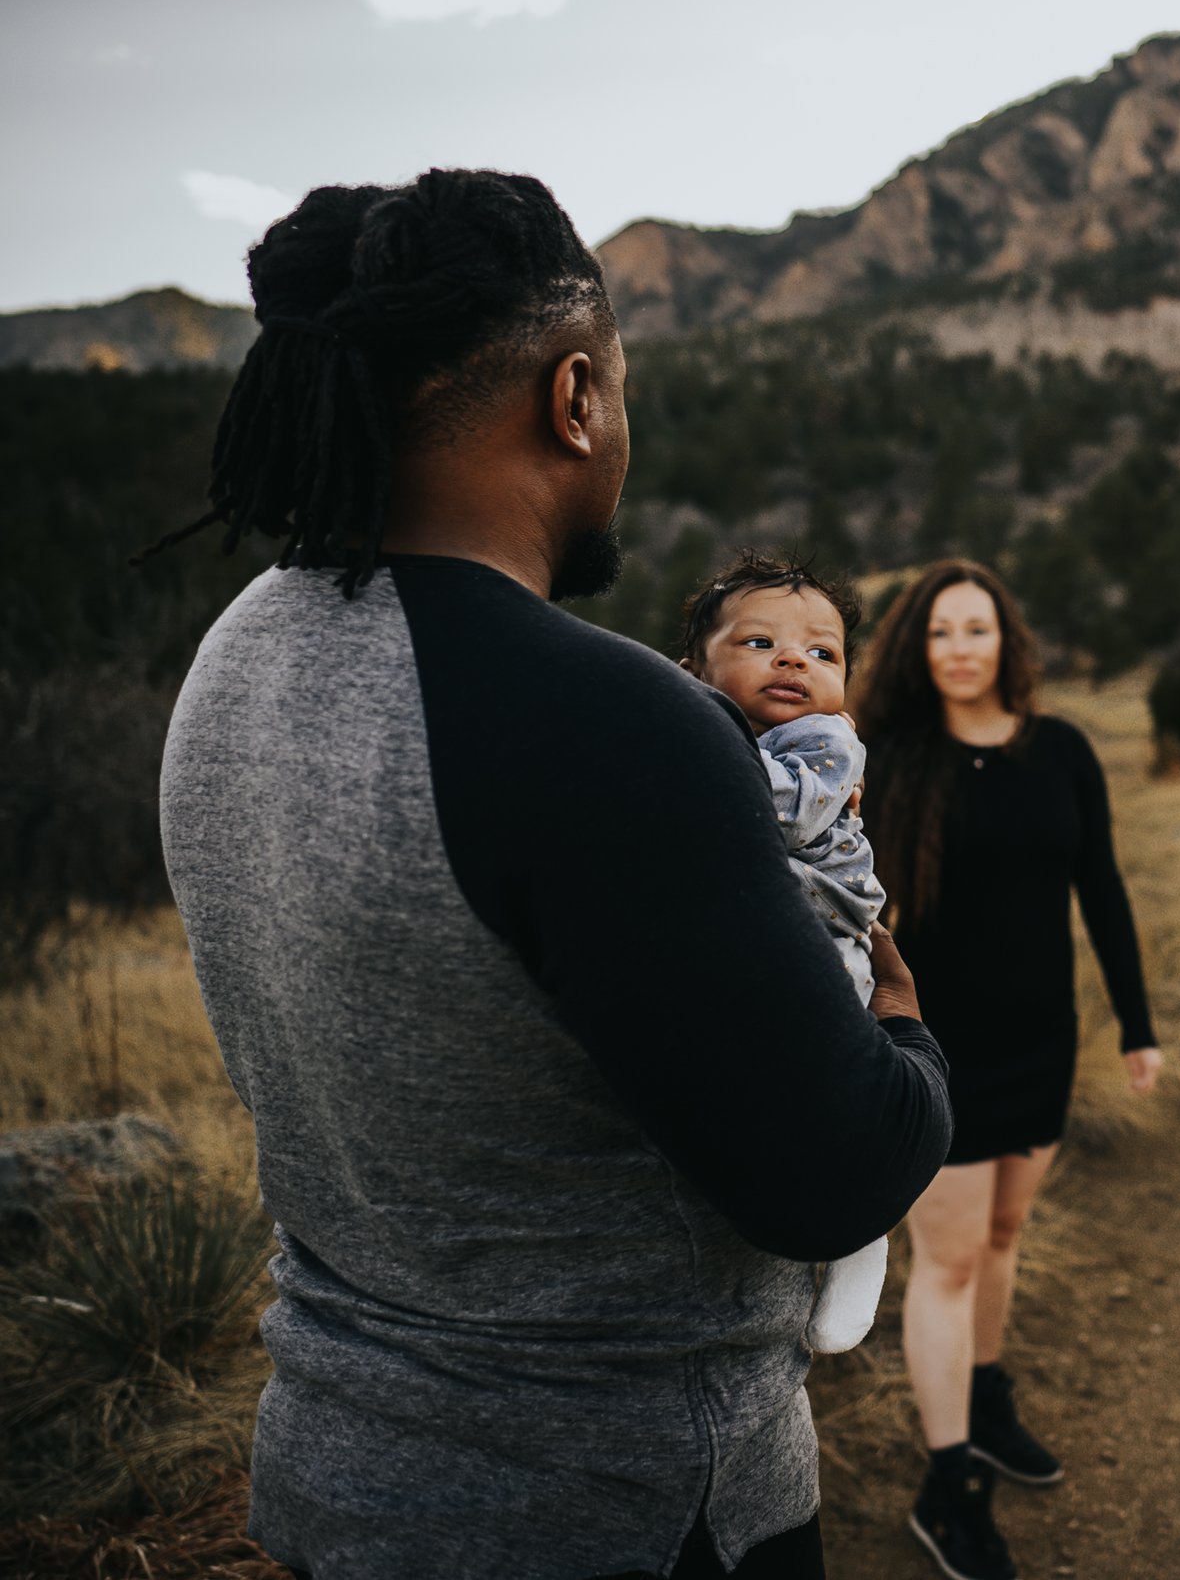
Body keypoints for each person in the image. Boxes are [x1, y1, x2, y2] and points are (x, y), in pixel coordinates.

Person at [149, 170, 952, 1580]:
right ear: (575, 395)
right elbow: (832, 1175)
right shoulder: (609, 717)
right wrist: (905, 1036)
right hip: (626, 1504)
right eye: (623, 392)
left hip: (339, 1479)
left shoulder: (236, 657)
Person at [853, 560, 1160, 1580]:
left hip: (1043, 1042)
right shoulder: (890, 759)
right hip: (940, 1054)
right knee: (943, 1263)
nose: (959, 648)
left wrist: (1137, 1023)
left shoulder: (1061, 751)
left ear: (1006, 641)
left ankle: (986, 1398)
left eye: (976, 628)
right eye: (940, 632)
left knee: (1003, 1234)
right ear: (917, 647)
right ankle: (948, 1485)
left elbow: (1102, 886)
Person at [677, 551, 892, 1356]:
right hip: (748, 936)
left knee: (826, 1082)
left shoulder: (826, 738)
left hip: (828, 939)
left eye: (822, 652)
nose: (794, 659)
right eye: (760, 643)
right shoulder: (703, 727)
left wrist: (682, 761)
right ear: (694, 668)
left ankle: (864, 1226)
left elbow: (790, 818)